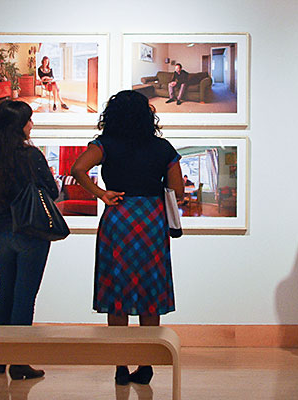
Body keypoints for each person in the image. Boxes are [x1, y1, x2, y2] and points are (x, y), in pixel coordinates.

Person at [71, 90, 184, 385]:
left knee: (118, 289)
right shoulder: (163, 148)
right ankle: (146, 364)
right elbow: (178, 191)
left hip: (119, 218)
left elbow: (78, 169)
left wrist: (101, 194)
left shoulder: (105, 144)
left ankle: (120, 365)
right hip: (151, 219)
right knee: (149, 289)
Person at [0, 100, 58, 380]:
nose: (32, 124)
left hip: (1, 231)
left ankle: (0, 359)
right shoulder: (31, 155)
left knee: (6, 294)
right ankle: (19, 362)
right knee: (25, 298)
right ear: (19, 124)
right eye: (29, 120)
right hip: (30, 232)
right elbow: (52, 190)